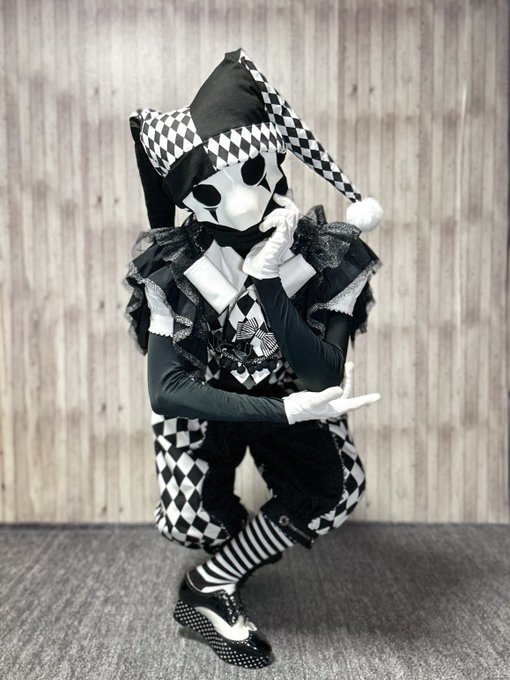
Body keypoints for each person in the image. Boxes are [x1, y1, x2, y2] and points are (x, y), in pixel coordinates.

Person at [124, 48, 383, 668]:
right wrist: (284, 412)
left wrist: (267, 282)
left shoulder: (327, 253)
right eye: (210, 190)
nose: (240, 203)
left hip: (290, 387)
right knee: (192, 521)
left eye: (249, 172)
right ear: (189, 199)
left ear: (275, 158)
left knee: (337, 487)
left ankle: (211, 583)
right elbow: (166, 389)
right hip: (209, 400)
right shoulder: (174, 264)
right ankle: (225, 556)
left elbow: (321, 373)